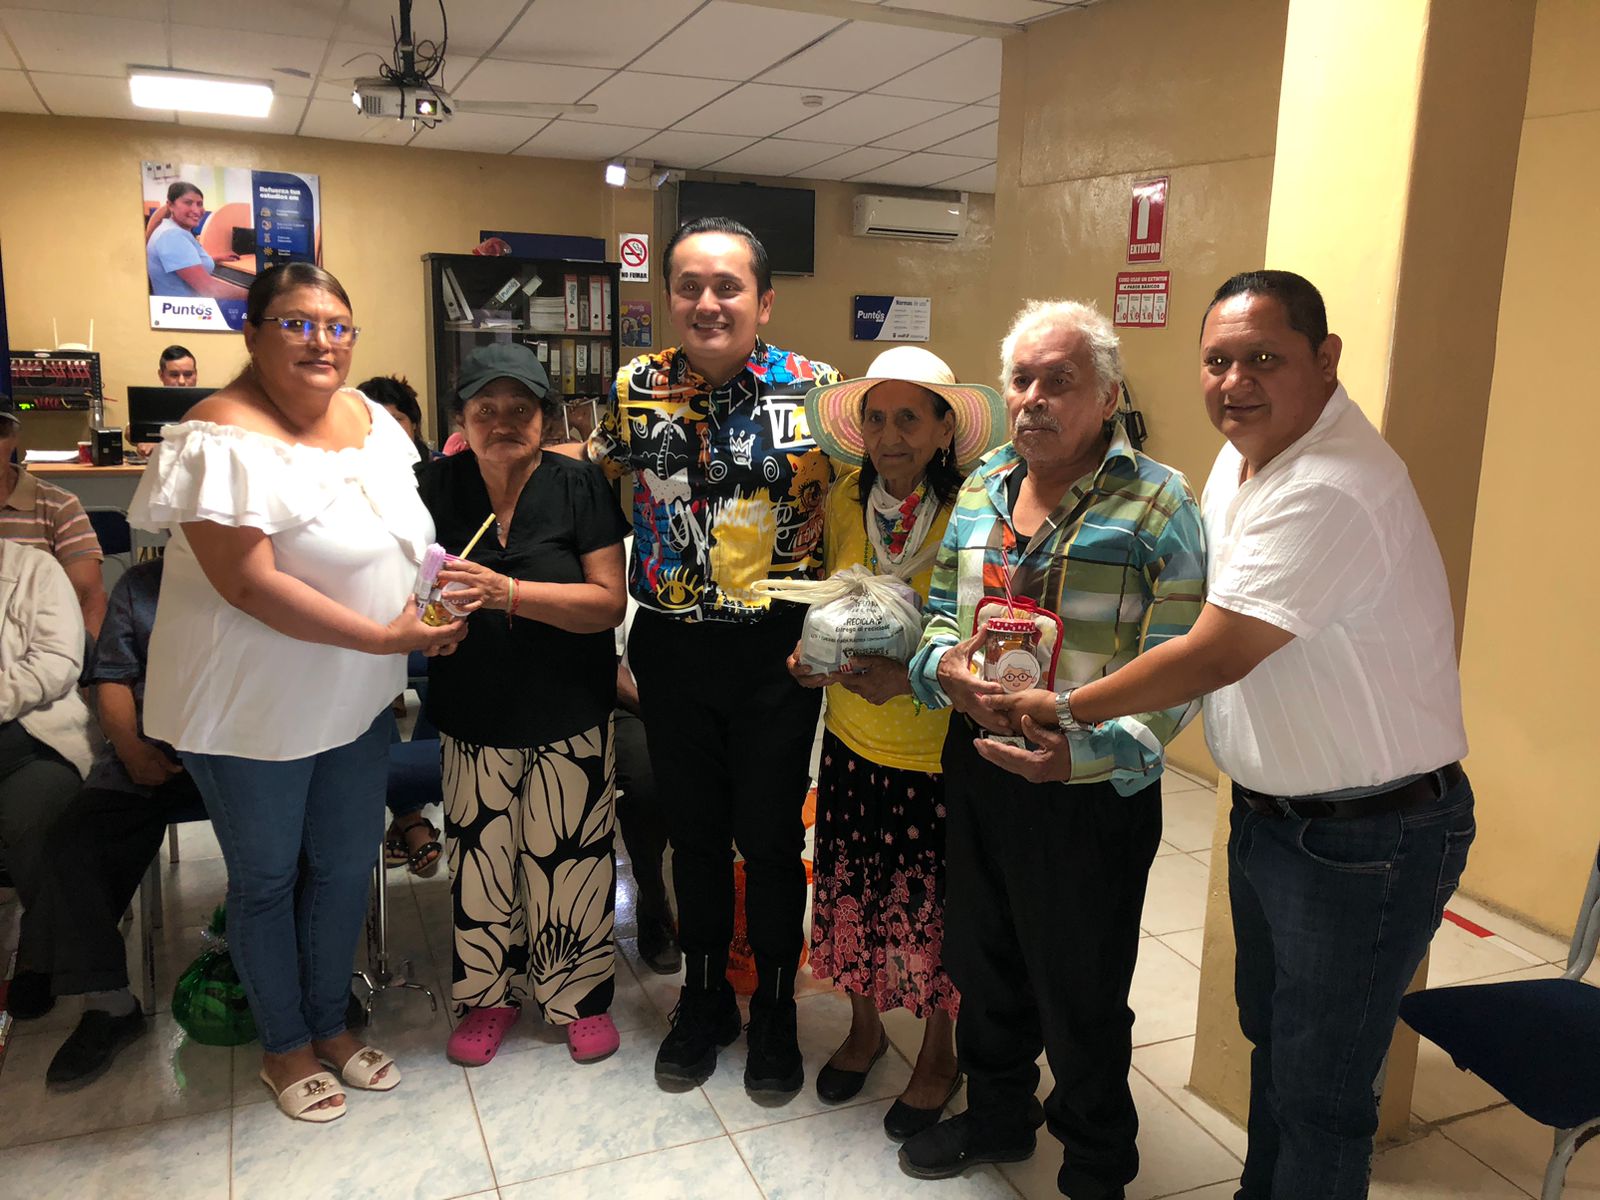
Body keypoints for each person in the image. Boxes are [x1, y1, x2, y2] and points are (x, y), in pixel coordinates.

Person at [988, 271, 1474, 1200]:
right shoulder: (1243, 459)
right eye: (1217, 361)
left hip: (1368, 834)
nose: (1235, 382)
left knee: (1322, 1093)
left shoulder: (1330, 485)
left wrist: (1067, 707)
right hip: (1276, 817)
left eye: (1264, 359)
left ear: (1325, 361)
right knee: (1275, 1047)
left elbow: (1214, 651)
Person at [129, 262, 464, 1123]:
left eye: (338, 325)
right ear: (251, 331)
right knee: (269, 877)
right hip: (248, 706)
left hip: (352, 695)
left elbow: (404, 536)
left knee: (346, 866)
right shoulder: (217, 436)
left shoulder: (371, 421)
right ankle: (284, 1046)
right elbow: (249, 584)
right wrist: (388, 636)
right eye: (296, 323)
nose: (322, 341)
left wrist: (427, 611)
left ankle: (330, 1025)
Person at [899, 300, 1207, 1200]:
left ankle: (1097, 1161)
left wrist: (1087, 756)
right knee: (983, 963)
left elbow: (1183, 663)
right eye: (1022, 380)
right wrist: (942, 669)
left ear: (1107, 395)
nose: (1034, 398)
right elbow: (943, 616)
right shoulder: (983, 486)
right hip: (979, 767)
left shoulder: (1160, 502)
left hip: (1086, 789)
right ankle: (1000, 1115)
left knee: (1080, 987)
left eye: (1059, 381)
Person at [587, 217, 840, 1097]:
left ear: (762, 301)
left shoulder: (820, 392)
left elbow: (867, 501)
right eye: (689, 285)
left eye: (728, 286)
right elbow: (594, 482)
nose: (708, 302)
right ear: (669, 298)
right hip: (672, 645)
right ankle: (703, 1001)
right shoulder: (635, 387)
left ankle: (771, 1006)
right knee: (692, 835)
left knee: (769, 839)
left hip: (777, 652)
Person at [788, 345, 1006, 1139]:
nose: (889, 436)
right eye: (876, 419)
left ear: (946, 429)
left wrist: (908, 679)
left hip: (936, 748)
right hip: (851, 738)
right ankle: (865, 1028)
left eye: (909, 418)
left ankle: (940, 1053)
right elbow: (829, 600)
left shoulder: (975, 513)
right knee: (851, 892)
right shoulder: (846, 501)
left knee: (935, 909)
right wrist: (810, 656)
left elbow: (984, 633)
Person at [416, 342, 629, 1068]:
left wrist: (508, 593)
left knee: (571, 860)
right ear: (461, 419)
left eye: (520, 408)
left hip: (569, 711)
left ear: (545, 416)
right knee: (481, 864)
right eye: (486, 409)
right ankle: (488, 998)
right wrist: (424, 623)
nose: (503, 422)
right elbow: (403, 589)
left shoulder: (578, 486)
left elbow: (606, 603)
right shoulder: (432, 487)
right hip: (472, 711)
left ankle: (578, 999)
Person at [21, 558, 207, 1084]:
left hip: (241, 751)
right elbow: (112, 679)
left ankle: (311, 982)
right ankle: (109, 1005)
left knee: (296, 834)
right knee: (75, 844)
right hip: (149, 745)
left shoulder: (269, 577)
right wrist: (129, 748)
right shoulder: (141, 587)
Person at [0, 539, 94, 1021]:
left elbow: (57, 663)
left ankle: (41, 953)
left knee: (36, 819)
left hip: (32, 737)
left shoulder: (33, 568)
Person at [0, 406, 108, 636]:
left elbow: (89, 600)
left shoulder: (59, 507)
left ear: (14, 439)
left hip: (40, 646)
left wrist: (83, 655)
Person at [144, 181, 243, 300]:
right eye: (188, 203)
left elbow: (183, 261)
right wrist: (254, 294)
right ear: (170, 205)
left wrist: (215, 258)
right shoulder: (172, 236)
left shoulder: (168, 229)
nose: (196, 210)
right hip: (184, 309)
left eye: (199, 204)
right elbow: (210, 289)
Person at [359, 374, 437, 465]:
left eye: (396, 420)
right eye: (375, 422)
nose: (388, 430)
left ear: (414, 423)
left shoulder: (438, 469)